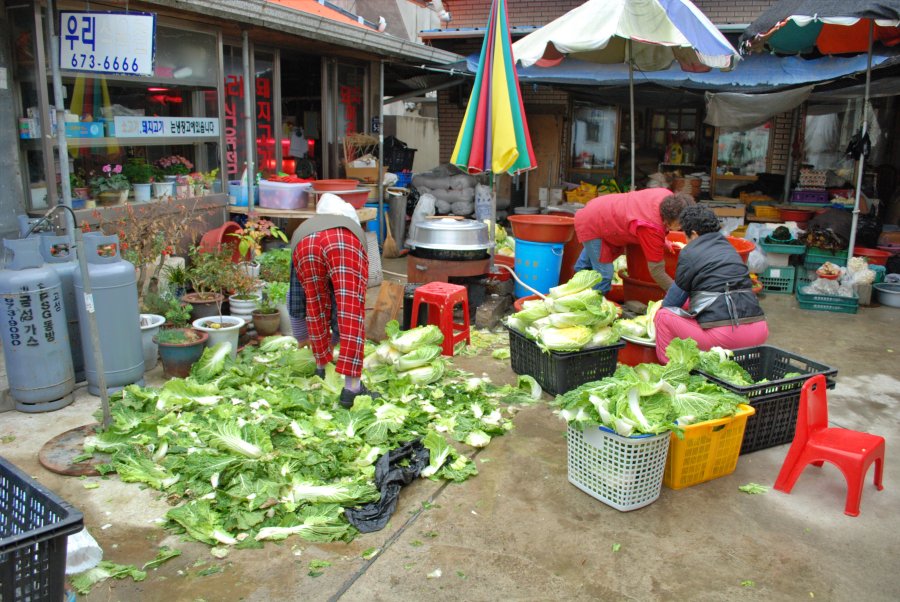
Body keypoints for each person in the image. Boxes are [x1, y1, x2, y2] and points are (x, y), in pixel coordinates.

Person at [291, 193, 377, 408]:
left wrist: (299, 333)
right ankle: (352, 389)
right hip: (342, 244)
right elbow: (345, 302)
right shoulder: (350, 230)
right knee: (351, 309)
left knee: (315, 303)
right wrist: (339, 333)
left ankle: (321, 366)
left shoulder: (308, 227)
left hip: (303, 244)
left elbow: (296, 292)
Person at [653, 205, 768, 363]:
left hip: (726, 338)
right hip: (759, 332)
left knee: (662, 316)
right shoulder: (729, 249)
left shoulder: (690, 251)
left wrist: (653, 320)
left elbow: (672, 301)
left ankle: (670, 371)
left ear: (693, 234)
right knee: (688, 303)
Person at [573, 188, 694, 294]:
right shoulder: (651, 227)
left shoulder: (666, 195)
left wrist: (663, 239)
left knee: (585, 265)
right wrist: (679, 295)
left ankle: (574, 290)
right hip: (595, 223)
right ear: (670, 218)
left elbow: (651, 219)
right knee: (604, 276)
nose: (681, 227)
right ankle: (589, 308)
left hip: (600, 209)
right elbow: (657, 270)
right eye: (679, 224)